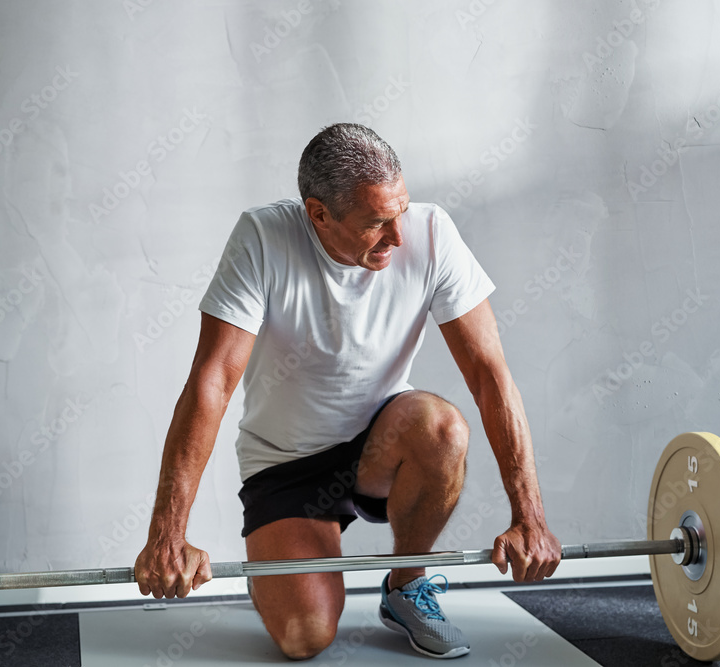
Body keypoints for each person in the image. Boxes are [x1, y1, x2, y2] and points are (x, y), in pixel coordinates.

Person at [134, 123, 561, 660]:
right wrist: (168, 534)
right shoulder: (263, 238)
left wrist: (531, 518)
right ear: (318, 214)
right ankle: (275, 573)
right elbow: (212, 381)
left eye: (400, 212)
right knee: (305, 637)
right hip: (284, 465)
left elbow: (488, 374)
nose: (398, 237)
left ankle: (406, 585)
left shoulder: (433, 233)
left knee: (443, 428)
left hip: (381, 445)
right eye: (377, 222)